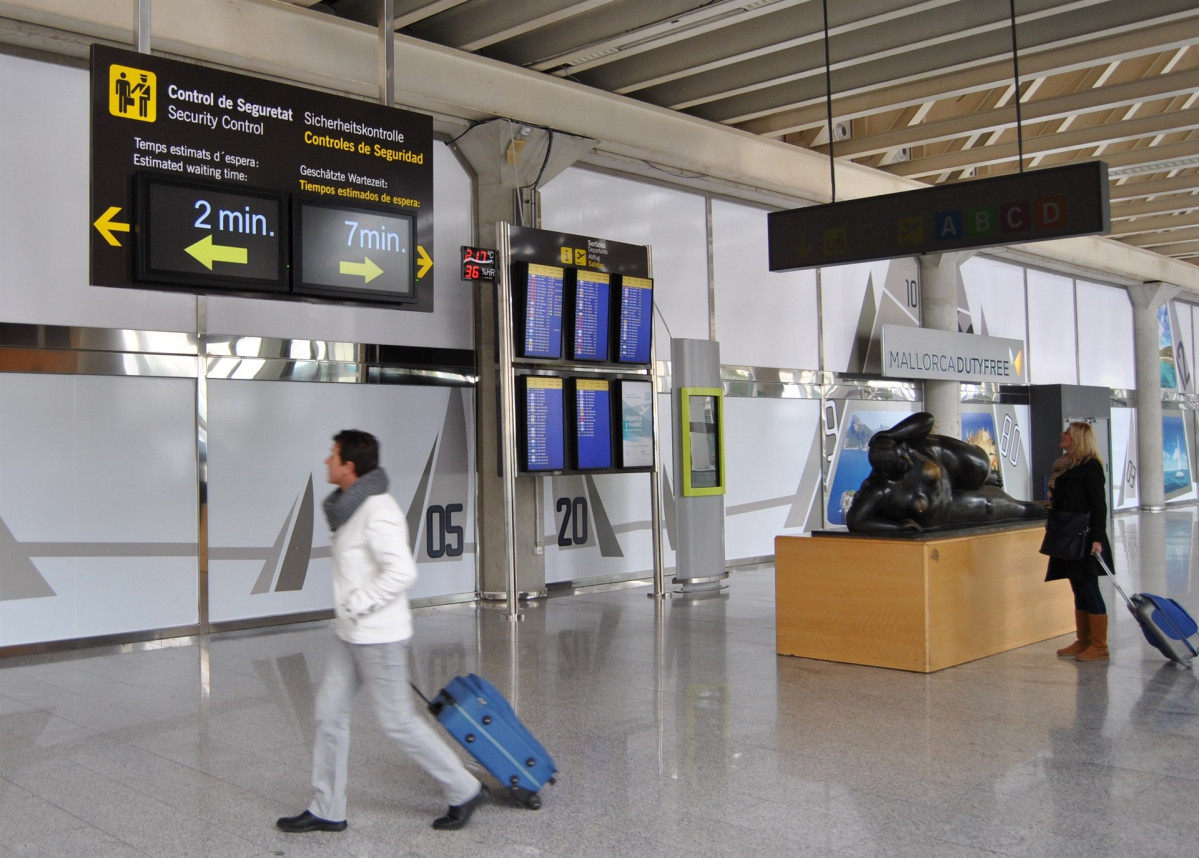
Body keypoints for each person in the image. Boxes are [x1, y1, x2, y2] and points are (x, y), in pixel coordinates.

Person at [277, 430, 486, 834]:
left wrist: (358, 602)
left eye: (332, 456)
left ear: (349, 466)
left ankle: (464, 787)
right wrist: (350, 612)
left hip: (379, 634)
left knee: (398, 722)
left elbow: (403, 571)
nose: (326, 462)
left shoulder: (379, 510)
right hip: (350, 632)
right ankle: (327, 807)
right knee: (328, 714)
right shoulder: (349, 508)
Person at [845, 411, 1045, 532]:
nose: (908, 459)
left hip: (951, 467)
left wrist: (888, 435)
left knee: (980, 467)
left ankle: (984, 479)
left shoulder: (905, 446)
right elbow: (855, 520)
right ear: (887, 473)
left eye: (904, 454)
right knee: (1001, 507)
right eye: (902, 462)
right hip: (947, 507)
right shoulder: (880, 489)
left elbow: (927, 420)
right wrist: (898, 527)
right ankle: (1045, 510)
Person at [1045, 421, 1113, 662]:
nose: (1062, 435)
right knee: (1077, 588)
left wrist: (1097, 538)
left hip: (1084, 537)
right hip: (1066, 534)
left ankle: (1099, 644)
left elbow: (1098, 504)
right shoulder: (1065, 465)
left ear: (1078, 439)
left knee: (1089, 589)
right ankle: (1083, 640)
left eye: (1067, 433)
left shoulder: (1091, 466)